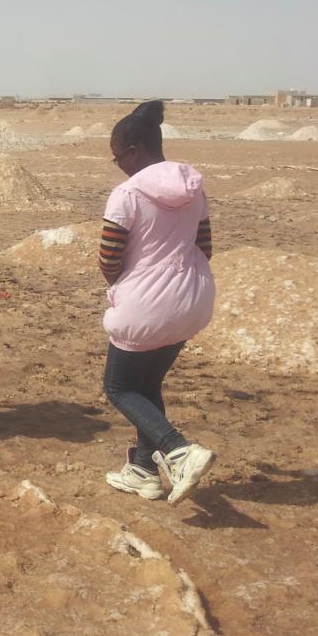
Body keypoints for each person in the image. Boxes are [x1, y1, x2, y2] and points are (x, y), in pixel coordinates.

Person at [99, 100, 217, 506]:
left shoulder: (127, 194)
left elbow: (109, 259)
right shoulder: (193, 187)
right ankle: (145, 472)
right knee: (146, 385)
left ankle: (179, 451)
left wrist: (128, 289)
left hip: (147, 306)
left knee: (118, 387)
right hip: (193, 300)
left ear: (134, 150)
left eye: (118, 157)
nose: (117, 165)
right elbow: (205, 247)